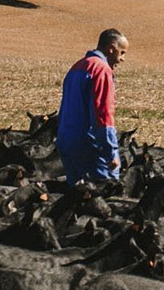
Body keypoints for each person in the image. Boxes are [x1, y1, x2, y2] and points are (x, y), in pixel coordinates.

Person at [57, 29, 129, 185]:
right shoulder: (101, 70)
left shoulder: (77, 66)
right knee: (105, 195)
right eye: (122, 53)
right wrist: (111, 153)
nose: (122, 59)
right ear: (111, 49)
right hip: (89, 147)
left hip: (66, 142)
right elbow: (103, 116)